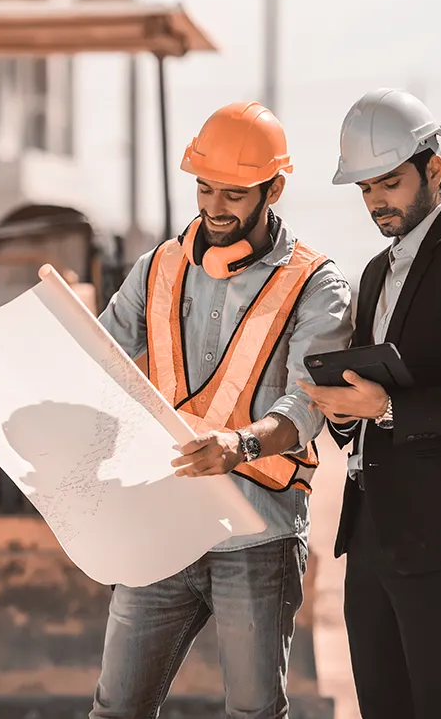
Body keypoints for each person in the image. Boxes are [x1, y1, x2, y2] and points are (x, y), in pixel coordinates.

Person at [90, 101, 353, 718]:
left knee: (253, 713)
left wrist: (243, 445)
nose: (213, 206)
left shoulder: (316, 286)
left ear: (274, 189)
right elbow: (96, 362)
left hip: (257, 534)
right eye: (205, 188)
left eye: (234, 193)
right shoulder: (156, 269)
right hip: (162, 526)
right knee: (115, 710)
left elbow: (308, 402)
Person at [299, 88, 441, 719]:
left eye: (390, 182)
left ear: (435, 169)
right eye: (366, 188)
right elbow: (377, 392)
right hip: (373, 530)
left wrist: (392, 410)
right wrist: (348, 414)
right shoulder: (374, 272)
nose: (377, 200)